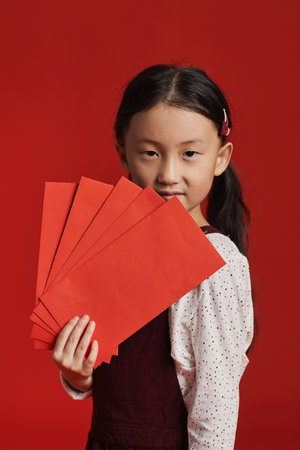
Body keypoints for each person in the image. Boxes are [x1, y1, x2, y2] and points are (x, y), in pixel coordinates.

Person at [52, 64, 256, 449]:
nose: (168, 173)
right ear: (123, 155)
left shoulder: (215, 262)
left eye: (190, 153)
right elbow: (119, 379)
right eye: (150, 152)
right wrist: (80, 377)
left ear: (221, 157)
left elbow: (216, 404)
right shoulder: (114, 245)